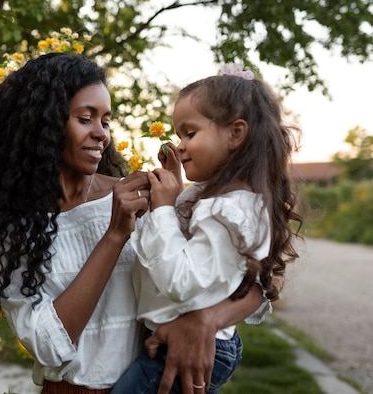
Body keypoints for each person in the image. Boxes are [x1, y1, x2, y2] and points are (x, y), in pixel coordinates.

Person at [0, 54, 268, 394]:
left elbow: (256, 281)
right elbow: (46, 346)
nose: (102, 134)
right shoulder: (16, 231)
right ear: (46, 126)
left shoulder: (143, 199)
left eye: (106, 121)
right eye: (86, 118)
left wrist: (206, 321)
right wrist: (114, 235)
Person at [111, 64, 302, 394]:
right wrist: (178, 190)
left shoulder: (230, 209)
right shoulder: (221, 197)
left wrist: (165, 208)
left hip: (185, 345)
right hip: (187, 337)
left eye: (190, 133)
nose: (180, 145)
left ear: (235, 133)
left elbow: (182, 280)